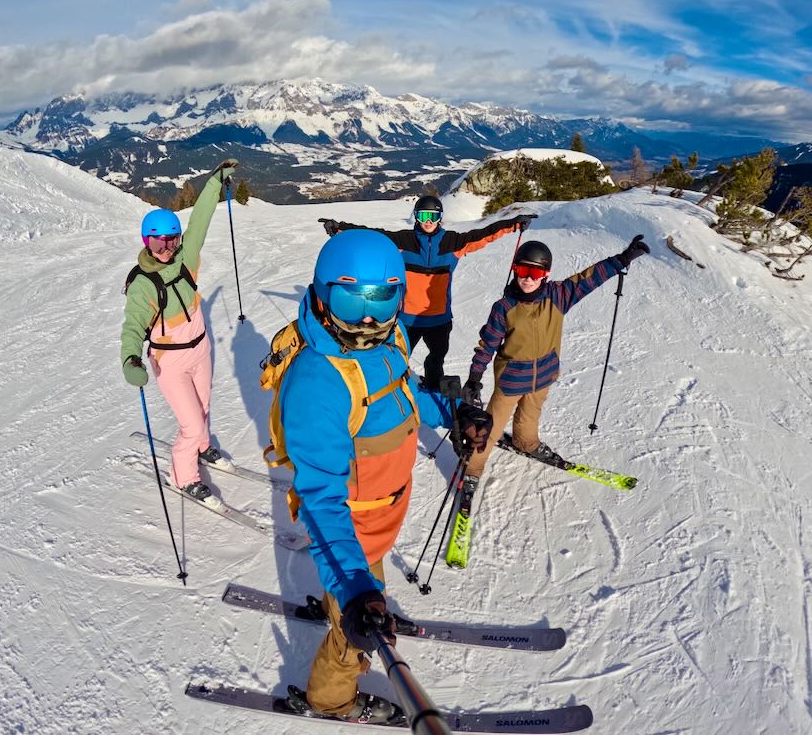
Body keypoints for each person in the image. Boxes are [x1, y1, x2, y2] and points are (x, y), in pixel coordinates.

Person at [277, 229, 491, 724]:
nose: (369, 318)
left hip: (382, 519)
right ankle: (331, 699)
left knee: (365, 582)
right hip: (354, 532)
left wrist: (452, 412)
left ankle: (345, 594)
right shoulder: (319, 382)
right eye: (352, 301)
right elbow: (320, 501)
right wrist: (354, 590)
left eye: (384, 296)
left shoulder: (390, 342)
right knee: (351, 640)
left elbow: (405, 393)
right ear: (323, 293)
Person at [461, 235, 650, 488]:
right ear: (515, 270)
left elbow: (589, 278)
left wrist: (621, 260)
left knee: (530, 417)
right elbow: (488, 343)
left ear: (545, 274)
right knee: (490, 426)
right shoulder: (504, 307)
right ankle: (473, 466)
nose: (528, 278)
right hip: (511, 380)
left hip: (544, 376)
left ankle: (525, 443)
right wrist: (475, 377)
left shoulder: (558, 296)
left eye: (535, 272)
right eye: (523, 270)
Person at [319, 195, 535, 391]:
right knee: (397, 358)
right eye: (423, 216)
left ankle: (432, 387)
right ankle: (391, 388)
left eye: (433, 216)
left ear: (440, 217)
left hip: (439, 320)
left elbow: (485, 234)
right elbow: (372, 236)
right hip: (407, 319)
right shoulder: (404, 241)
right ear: (416, 217)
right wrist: (341, 229)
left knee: (436, 360)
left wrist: (514, 224)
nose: (428, 221)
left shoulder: (453, 243)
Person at [119, 160, 238, 501]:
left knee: (203, 408)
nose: (167, 248)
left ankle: (202, 448)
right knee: (190, 423)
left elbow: (200, 219)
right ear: (147, 242)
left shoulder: (186, 259)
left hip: (201, 349)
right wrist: (130, 358)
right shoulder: (143, 284)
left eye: (172, 240)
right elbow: (132, 326)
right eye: (158, 243)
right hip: (169, 362)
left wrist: (215, 181)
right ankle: (183, 475)